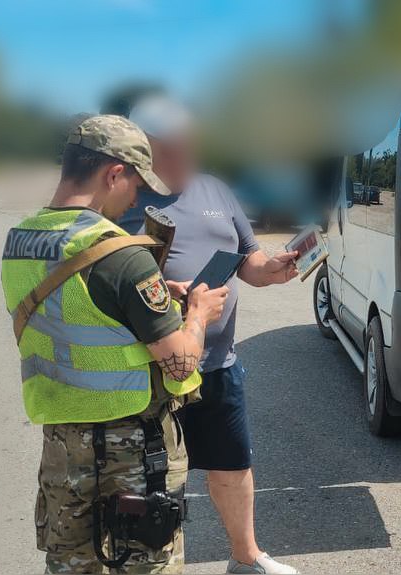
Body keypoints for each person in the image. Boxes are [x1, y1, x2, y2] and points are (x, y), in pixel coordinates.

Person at [1, 115, 229, 572]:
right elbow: (181, 363)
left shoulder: (19, 241)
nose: (136, 198)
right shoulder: (122, 254)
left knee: (71, 566)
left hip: (63, 448)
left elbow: (79, 313)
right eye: (135, 185)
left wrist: (151, 297)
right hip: (133, 450)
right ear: (113, 173)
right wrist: (198, 314)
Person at [115, 95, 300, 575]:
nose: (187, 156)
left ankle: (246, 558)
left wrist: (270, 270)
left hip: (217, 364)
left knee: (233, 466)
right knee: (151, 478)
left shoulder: (216, 190)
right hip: (153, 368)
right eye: (174, 148)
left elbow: (249, 259)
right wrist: (165, 295)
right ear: (145, 147)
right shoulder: (123, 198)